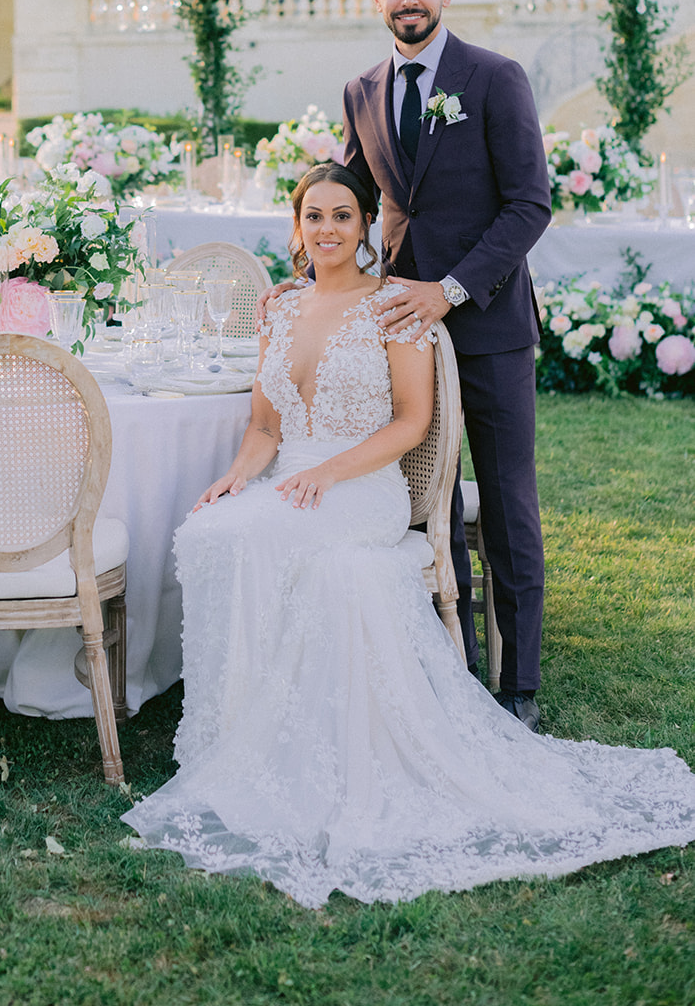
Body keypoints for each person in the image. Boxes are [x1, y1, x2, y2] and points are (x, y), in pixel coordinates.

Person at [122, 164, 695, 908]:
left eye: (341, 215)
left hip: (361, 487)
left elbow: (410, 423)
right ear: (296, 227)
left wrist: (327, 473)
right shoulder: (279, 307)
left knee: (257, 541)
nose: (326, 229)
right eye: (313, 216)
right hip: (289, 478)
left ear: (364, 226)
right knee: (210, 533)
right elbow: (264, 426)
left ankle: (262, 749)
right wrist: (237, 476)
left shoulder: (393, 307)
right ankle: (235, 741)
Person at [340, 0, 551, 729]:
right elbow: (351, 198)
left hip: (489, 326)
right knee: (419, 497)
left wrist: (450, 291)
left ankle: (519, 684)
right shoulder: (362, 90)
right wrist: (305, 279)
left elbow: (529, 204)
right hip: (401, 335)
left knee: (501, 500)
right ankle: (447, 664)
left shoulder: (494, 79)